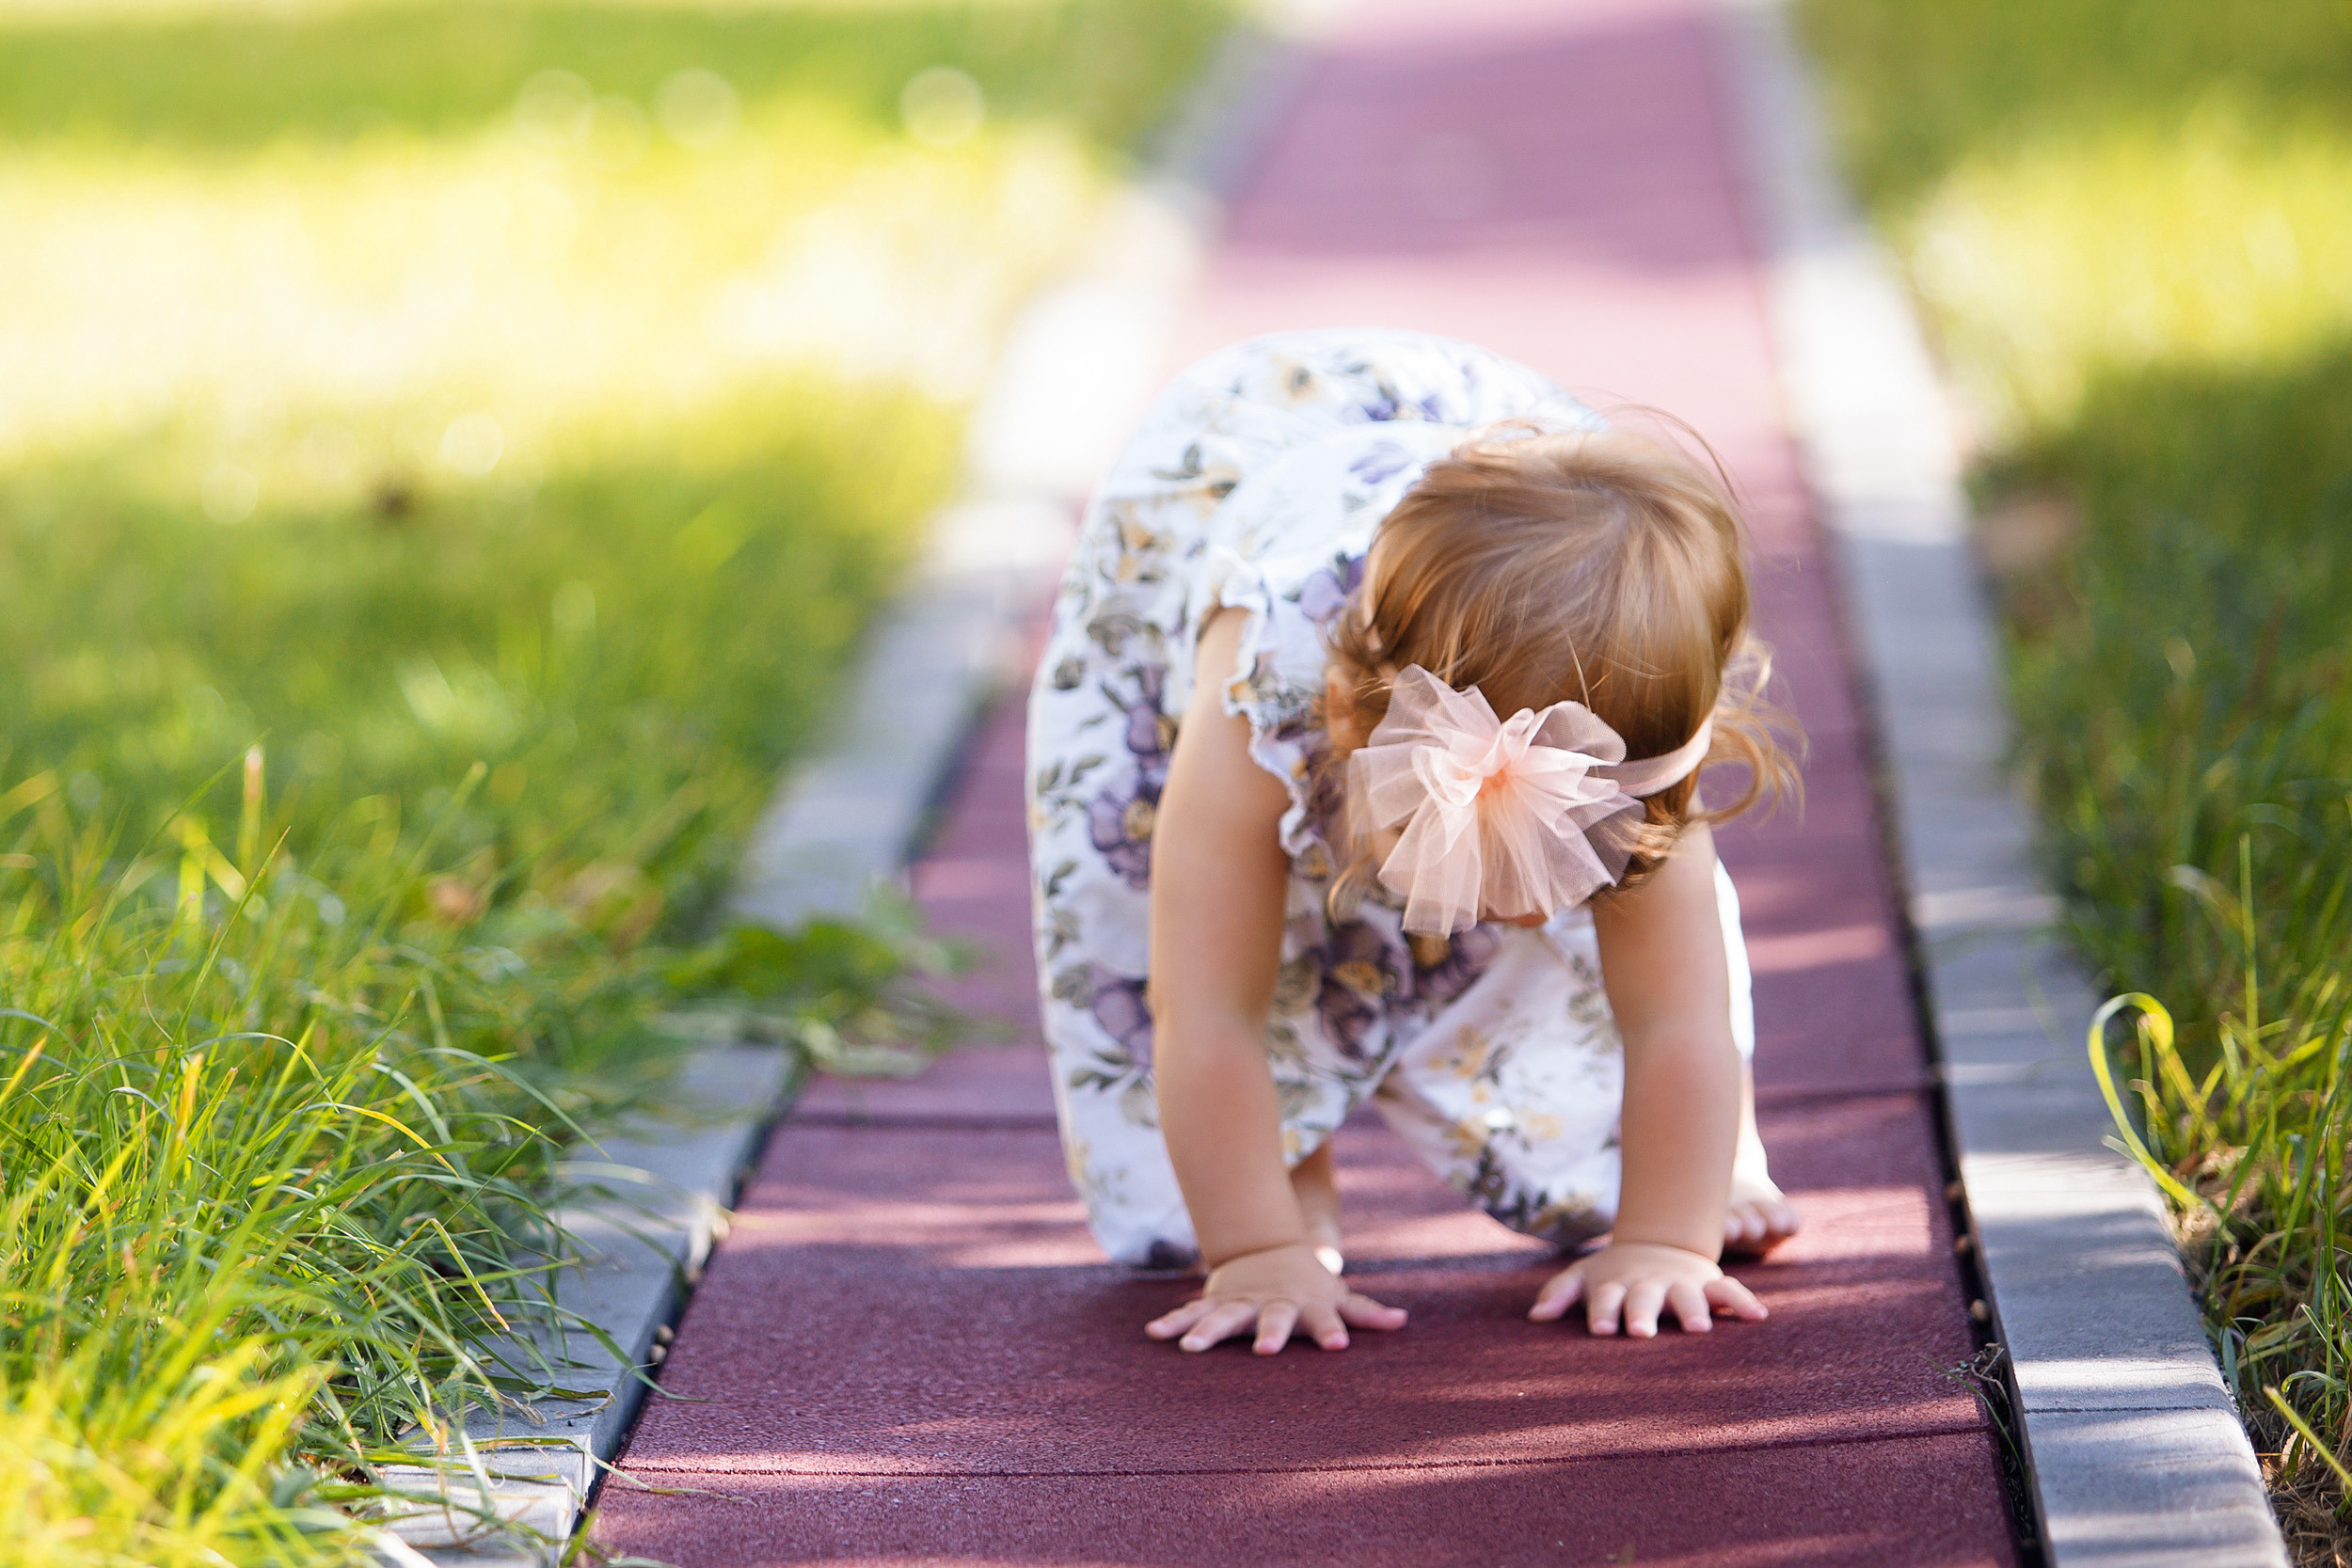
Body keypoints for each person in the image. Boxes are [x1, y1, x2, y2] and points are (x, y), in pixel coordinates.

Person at [1025, 327, 1800, 1355]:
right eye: (1505, 868)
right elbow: (1203, 1003)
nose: (1525, 908)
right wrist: (1253, 1249)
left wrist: (1664, 1235)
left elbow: (1677, 1014)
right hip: (1232, 473)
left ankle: (1722, 1149)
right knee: (1182, 994)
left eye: (1560, 870)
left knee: (1624, 1142)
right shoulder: (1270, 687)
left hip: (1538, 571)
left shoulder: (1630, 755)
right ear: (1349, 728)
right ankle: (1292, 1175)